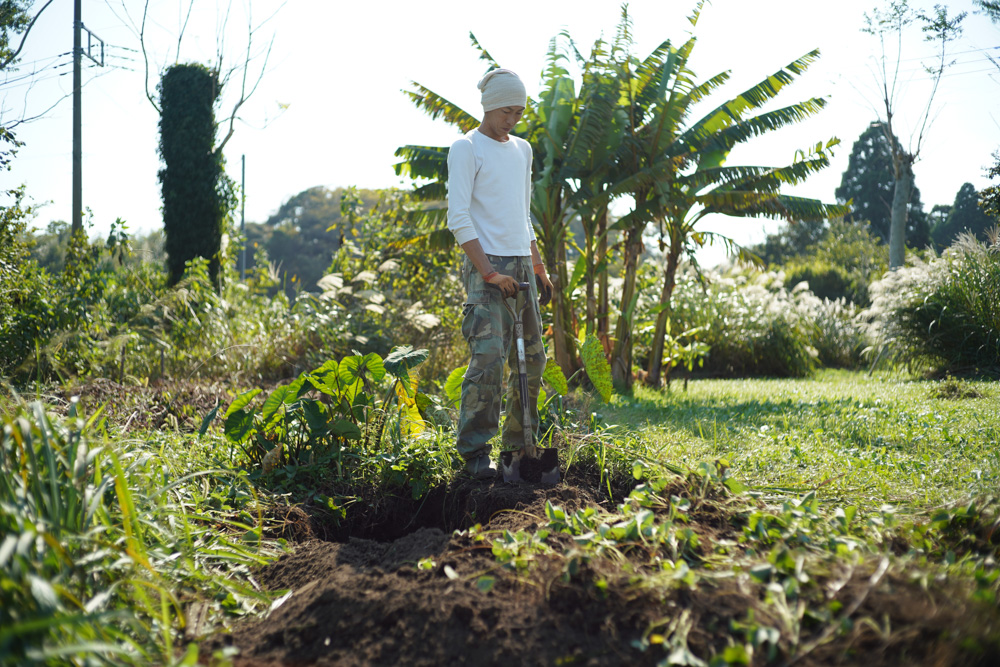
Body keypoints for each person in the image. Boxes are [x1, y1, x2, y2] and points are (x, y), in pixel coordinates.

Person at [447, 68, 554, 479]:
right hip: (485, 265)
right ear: (490, 106)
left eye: (519, 113)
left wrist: (538, 264)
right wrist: (490, 273)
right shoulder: (466, 148)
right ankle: (475, 453)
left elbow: (520, 214)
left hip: (522, 264)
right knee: (488, 359)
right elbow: (459, 218)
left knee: (533, 359)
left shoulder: (522, 150)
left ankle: (517, 450)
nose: (513, 119)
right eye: (507, 111)